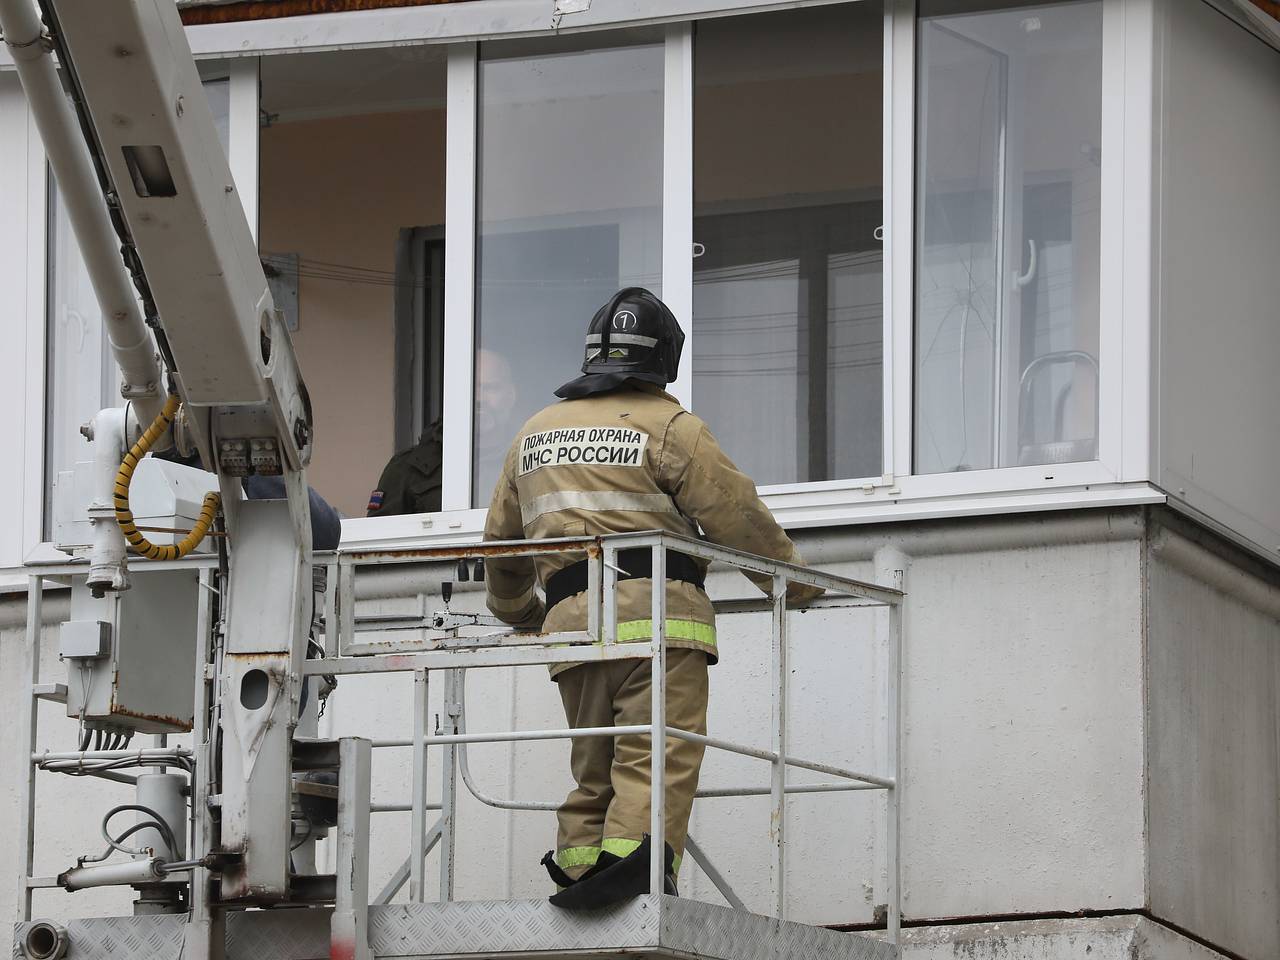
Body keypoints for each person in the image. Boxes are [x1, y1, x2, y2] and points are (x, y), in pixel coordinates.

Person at [482, 287, 822, 910]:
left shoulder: (532, 435)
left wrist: (522, 613)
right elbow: (737, 517)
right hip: (661, 624)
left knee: (592, 766)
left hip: (574, 632)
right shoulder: (670, 428)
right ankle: (631, 879)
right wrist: (794, 584)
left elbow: (501, 548)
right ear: (663, 360)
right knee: (653, 756)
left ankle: (581, 869)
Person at [367, 350, 517, 517]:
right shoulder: (407, 468)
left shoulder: (525, 459)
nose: (479, 398)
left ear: (510, 396)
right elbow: (382, 535)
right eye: (470, 387)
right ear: (452, 396)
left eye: (490, 388)